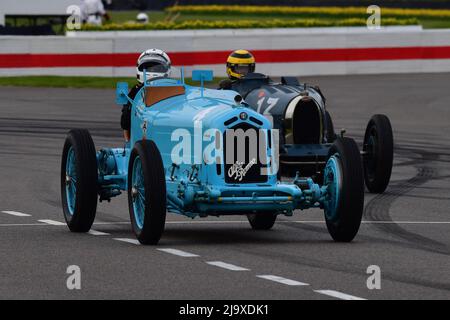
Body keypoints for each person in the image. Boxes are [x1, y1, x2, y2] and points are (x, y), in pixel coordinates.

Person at [121, 49, 172, 141]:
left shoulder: (173, 88)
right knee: (127, 111)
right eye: (147, 67)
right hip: (144, 133)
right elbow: (125, 120)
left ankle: (128, 142)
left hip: (162, 128)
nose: (152, 70)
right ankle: (128, 143)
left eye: (157, 68)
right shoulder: (136, 90)